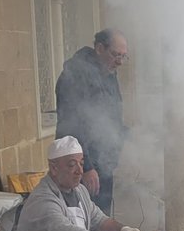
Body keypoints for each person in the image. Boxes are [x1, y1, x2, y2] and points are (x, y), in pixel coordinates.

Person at [9, 136, 143, 231]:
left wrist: (124, 229)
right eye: (72, 165)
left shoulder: (79, 190)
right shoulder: (42, 200)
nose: (80, 171)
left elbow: (97, 218)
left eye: (81, 163)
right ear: (54, 168)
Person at [55, 28, 129, 213]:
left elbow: (111, 120)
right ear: (99, 48)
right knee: (84, 221)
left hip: (103, 163)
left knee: (102, 218)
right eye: (115, 55)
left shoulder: (108, 75)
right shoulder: (75, 76)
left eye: (123, 56)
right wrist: (85, 167)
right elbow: (72, 125)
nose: (119, 62)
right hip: (80, 166)